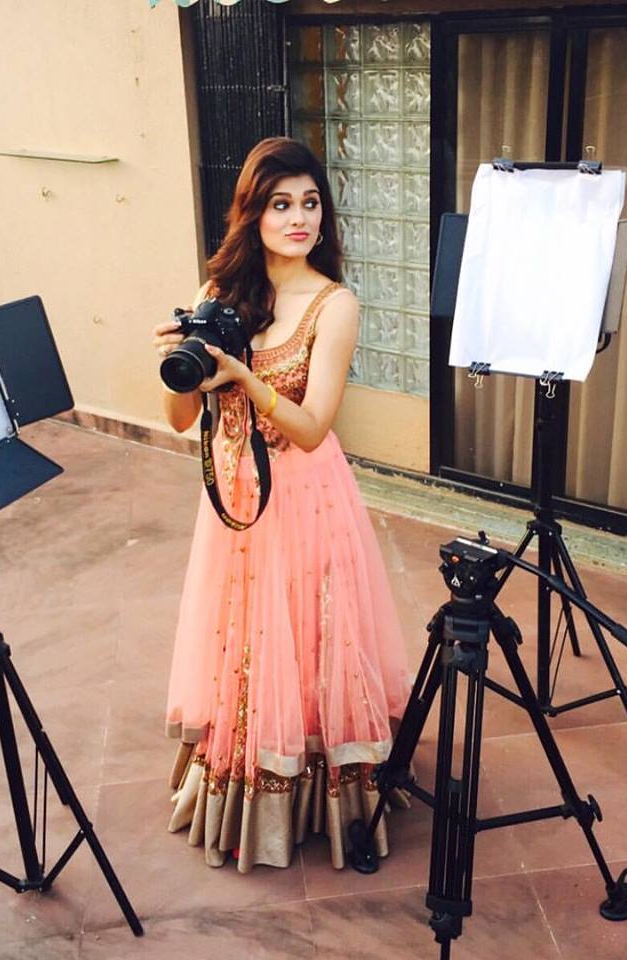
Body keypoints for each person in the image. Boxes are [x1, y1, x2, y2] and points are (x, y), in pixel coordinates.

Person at [153, 137, 410, 873]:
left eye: (310, 203)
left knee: (308, 633)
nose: (299, 219)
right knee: (244, 637)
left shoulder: (334, 303)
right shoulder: (219, 293)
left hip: (307, 498)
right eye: (280, 204)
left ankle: (316, 791)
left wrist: (243, 376)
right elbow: (180, 419)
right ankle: (242, 785)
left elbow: (312, 425)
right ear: (254, 214)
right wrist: (180, 363)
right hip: (233, 496)